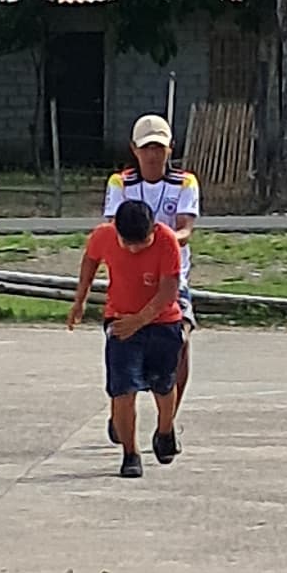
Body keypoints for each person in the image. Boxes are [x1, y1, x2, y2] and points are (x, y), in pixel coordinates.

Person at [68, 191, 188, 477]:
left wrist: (140, 320)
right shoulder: (103, 235)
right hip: (120, 319)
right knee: (123, 389)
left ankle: (165, 430)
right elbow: (90, 261)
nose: (134, 250)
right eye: (127, 243)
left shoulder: (166, 239)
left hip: (162, 321)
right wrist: (80, 299)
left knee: (163, 383)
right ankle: (130, 453)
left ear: (153, 229)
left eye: (141, 243)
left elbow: (168, 291)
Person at [103, 111, 199, 441]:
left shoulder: (184, 183)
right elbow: (112, 229)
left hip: (171, 277)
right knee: (121, 344)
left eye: (159, 147)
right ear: (134, 149)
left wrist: (158, 241)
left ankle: (167, 422)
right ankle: (120, 409)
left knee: (180, 343)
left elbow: (185, 228)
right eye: (146, 148)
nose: (153, 155)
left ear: (170, 148)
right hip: (130, 279)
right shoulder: (121, 183)